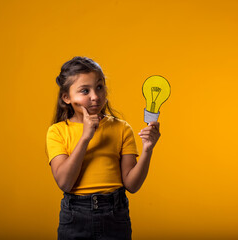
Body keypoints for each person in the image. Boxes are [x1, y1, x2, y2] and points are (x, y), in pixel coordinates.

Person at [46, 56, 160, 240]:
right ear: (66, 97)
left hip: (115, 215)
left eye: (99, 87)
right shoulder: (57, 132)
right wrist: (86, 137)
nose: (95, 96)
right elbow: (65, 183)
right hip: (75, 217)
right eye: (85, 91)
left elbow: (132, 185)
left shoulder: (121, 128)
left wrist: (148, 149)